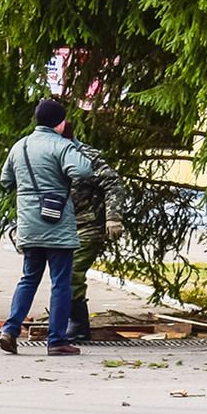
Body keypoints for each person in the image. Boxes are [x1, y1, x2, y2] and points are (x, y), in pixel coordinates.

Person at [0, 98, 94, 357]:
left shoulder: (20, 146)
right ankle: (57, 341)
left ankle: (10, 330)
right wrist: (71, 144)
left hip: (29, 223)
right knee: (60, 283)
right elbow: (83, 171)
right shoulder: (62, 145)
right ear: (60, 123)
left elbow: (5, 180)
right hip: (57, 223)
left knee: (28, 278)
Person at [68, 136, 125, 343]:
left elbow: (113, 183)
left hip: (90, 223)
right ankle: (71, 322)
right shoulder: (51, 154)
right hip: (64, 225)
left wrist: (113, 217)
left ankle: (78, 326)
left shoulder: (86, 155)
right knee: (63, 273)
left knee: (73, 271)